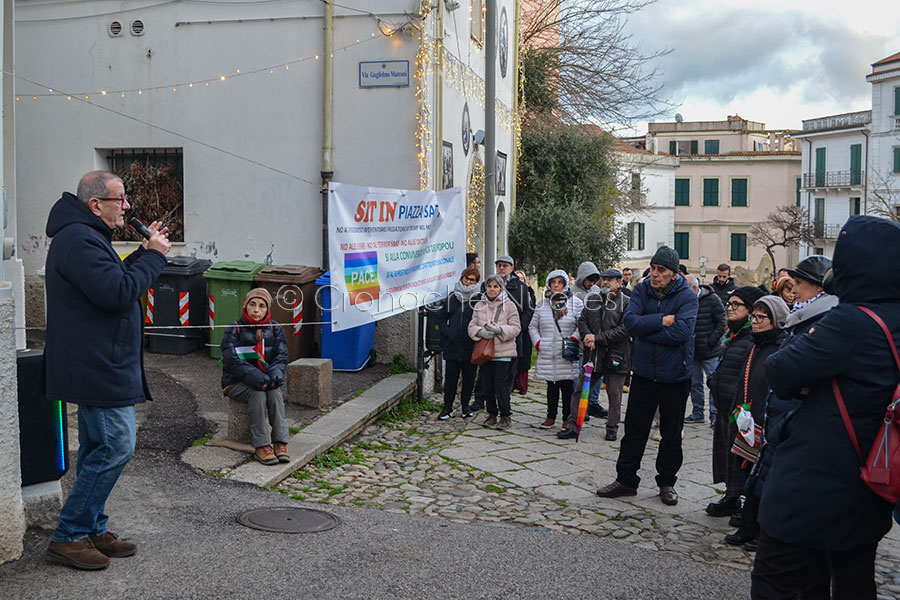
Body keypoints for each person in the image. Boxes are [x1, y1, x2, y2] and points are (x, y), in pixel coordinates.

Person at [752, 217, 899, 599]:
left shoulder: (849, 322)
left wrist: (808, 382)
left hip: (813, 488)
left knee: (779, 581)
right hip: (870, 482)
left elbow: (780, 370)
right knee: (853, 581)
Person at [45, 171, 171, 570]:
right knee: (116, 445)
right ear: (95, 204)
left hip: (99, 361)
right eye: (120, 199)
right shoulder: (79, 240)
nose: (128, 206)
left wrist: (141, 253)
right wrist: (153, 256)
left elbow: (112, 280)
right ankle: (69, 534)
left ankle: (91, 526)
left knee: (99, 448)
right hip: (95, 364)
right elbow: (118, 294)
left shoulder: (84, 237)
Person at [596, 246, 698, 506]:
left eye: (660, 270)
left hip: (675, 375)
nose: (654, 274)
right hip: (643, 372)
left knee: (671, 433)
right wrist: (662, 320)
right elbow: (630, 324)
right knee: (634, 430)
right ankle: (626, 480)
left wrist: (647, 326)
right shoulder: (641, 289)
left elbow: (682, 334)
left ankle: (666, 482)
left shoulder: (688, 297)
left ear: (673, 274)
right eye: (653, 268)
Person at [724, 295, 788, 551]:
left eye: (761, 318)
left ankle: (762, 531)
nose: (756, 322)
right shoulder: (755, 345)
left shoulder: (780, 347)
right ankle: (747, 526)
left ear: (776, 320)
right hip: (748, 419)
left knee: (765, 479)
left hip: (768, 420)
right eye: (754, 317)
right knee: (749, 474)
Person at [706, 286, 765, 518]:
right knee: (726, 455)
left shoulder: (751, 338)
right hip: (724, 404)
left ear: (750, 310)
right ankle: (731, 496)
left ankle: (741, 500)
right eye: (729, 304)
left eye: (735, 305)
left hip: (739, 408)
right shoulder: (734, 335)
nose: (730, 308)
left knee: (741, 457)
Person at [221, 288, 291, 465]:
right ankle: (261, 445)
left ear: (267, 310)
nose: (256, 310)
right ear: (245, 305)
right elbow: (232, 361)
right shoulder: (234, 329)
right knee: (257, 394)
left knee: (274, 393)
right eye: (252, 304)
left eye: (261, 306)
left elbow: (281, 356)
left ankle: (280, 441)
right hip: (236, 383)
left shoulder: (275, 329)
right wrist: (255, 376)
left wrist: (275, 374)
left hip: (266, 381)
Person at [560, 268, 630, 441]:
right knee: (580, 391)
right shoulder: (592, 300)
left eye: (611, 279)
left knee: (614, 395)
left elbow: (625, 329)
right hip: (593, 355)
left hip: (616, 356)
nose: (606, 282)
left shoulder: (627, 302)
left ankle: (612, 428)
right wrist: (587, 337)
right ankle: (573, 426)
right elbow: (582, 320)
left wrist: (597, 338)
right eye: (604, 278)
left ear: (620, 283)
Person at [529, 270, 583, 430]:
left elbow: (582, 325)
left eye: (560, 282)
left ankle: (567, 418)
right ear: (549, 284)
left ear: (565, 284)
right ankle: (550, 416)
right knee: (551, 385)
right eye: (554, 282)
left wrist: (573, 338)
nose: (557, 285)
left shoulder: (576, 303)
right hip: (547, 350)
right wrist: (538, 342)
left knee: (567, 386)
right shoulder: (542, 304)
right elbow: (532, 326)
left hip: (566, 350)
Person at [468, 274, 522, 430]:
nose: (492, 289)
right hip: (485, 353)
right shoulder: (479, 305)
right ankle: (491, 414)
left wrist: (500, 330)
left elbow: (516, 328)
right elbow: (471, 326)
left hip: (503, 352)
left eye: (495, 286)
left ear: (501, 288)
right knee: (487, 385)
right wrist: (480, 332)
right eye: (489, 286)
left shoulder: (509, 305)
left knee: (500, 384)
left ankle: (505, 416)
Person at [437, 267, 481, 419]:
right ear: (462, 278)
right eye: (466, 279)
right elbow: (441, 318)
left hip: (471, 345)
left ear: (476, 282)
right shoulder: (452, 297)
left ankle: (465, 406)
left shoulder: (479, 299)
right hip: (453, 345)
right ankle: (447, 407)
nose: (468, 282)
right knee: (451, 379)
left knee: (469, 379)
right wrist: (448, 333)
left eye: (472, 280)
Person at [684, 274, 726, 425]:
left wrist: (711, 340)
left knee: (713, 382)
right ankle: (698, 412)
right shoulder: (686, 301)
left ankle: (715, 415)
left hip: (710, 350)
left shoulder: (712, 299)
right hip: (693, 351)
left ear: (695, 288)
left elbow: (722, 321)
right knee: (695, 383)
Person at [513, 269, 537, 395]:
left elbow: (531, 310)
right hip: (511, 328)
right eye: (517, 277)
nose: (519, 280)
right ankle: (512, 383)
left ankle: (522, 385)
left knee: (523, 358)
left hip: (525, 329)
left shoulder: (529, 293)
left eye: (521, 278)